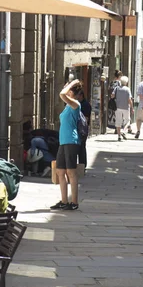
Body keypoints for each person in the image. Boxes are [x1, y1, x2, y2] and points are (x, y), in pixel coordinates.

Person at [51, 78, 83, 211]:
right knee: (60, 171)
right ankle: (64, 201)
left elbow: (61, 94)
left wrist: (71, 84)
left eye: (68, 88)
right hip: (64, 141)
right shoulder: (67, 107)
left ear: (72, 91)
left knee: (71, 172)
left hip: (71, 141)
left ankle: (74, 202)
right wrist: (69, 85)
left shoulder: (75, 104)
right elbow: (63, 94)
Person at [112, 76, 133, 142]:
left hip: (117, 107)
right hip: (126, 107)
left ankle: (119, 136)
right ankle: (124, 131)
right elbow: (129, 100)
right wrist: (132, 107)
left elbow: (112, 95)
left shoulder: (116, 88)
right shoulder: (127, 89)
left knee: (118, 121)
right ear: (126, 82)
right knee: (128, 120)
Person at [77, 91, 92, 168]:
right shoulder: (77, 104)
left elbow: (86, 118)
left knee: (81, 148)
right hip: (79, 129)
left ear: (81, 95)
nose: (76, 97)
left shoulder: (85, 105)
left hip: (82, 129)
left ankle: (82, 166)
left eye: (78, 95)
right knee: (79, 148)